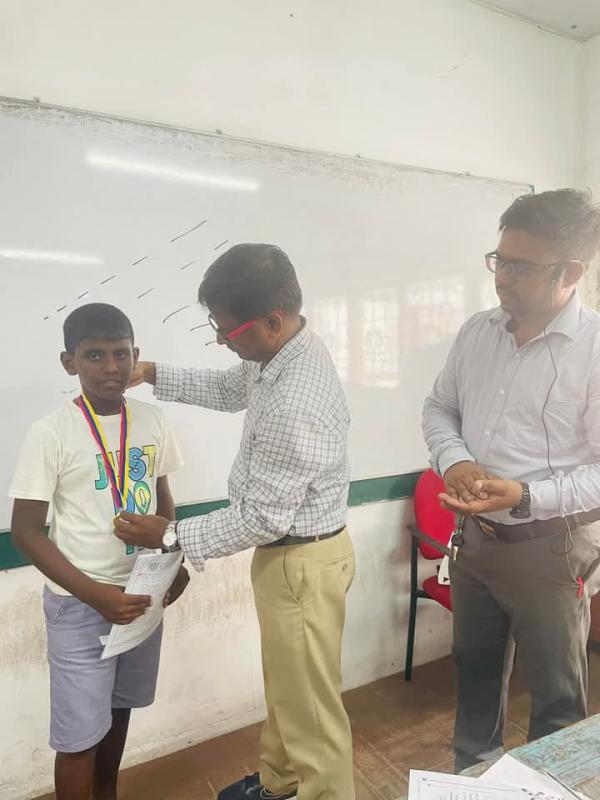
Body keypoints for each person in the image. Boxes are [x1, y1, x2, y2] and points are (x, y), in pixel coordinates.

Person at [114, 243, 356, 800]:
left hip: (300, 561)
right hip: (292, 559)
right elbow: (229, 389)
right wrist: (151, 373)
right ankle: (280, 783)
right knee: (288, 689)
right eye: (216, 329)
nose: (223, 341)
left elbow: (263, 519)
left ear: (272, 319)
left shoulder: (296, 398)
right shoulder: (281, 351)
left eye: (228, 331)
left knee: (312, 716)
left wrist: (171, 533)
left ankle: (321, 791)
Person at [422, 189, 600, 771]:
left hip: (551, 551)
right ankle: (472, 779)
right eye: (500, 260)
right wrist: (455, 461)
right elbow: (439, 408)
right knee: (474, 681)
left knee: (557, 705)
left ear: (571, 272)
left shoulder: (594, 349)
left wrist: (526, 496)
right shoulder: (478, 332)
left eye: (521, 267)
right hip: (474, 543)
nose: (502, 278)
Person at [10, 303, 188, 800]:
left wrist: (174, 559)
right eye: (94, 355)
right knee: (77, 738)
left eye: (121, 354)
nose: (111, 367)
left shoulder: (152, 419)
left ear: (136, 355)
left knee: (118, 709)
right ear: (69, 362)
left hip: (141, 595)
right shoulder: (51, 432)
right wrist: (96, 596)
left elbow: (163, 500)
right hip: (81, 604)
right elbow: (25, 531)